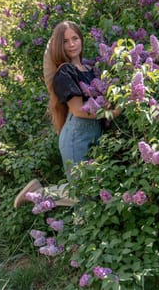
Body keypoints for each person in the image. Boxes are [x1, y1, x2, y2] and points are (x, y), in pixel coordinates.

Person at [14, 21, 119, 208]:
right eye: (65, 41)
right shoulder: (65, 72)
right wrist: (110, 113)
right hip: (76, 138)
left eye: (75, 38)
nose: (71, 44)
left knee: (93, 192)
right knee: (82, 194)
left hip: (94, 135)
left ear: (81, 40)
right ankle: (37, 193)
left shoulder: (90, 70)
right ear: (58, 46)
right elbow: (79, 110)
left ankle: (83, 235)